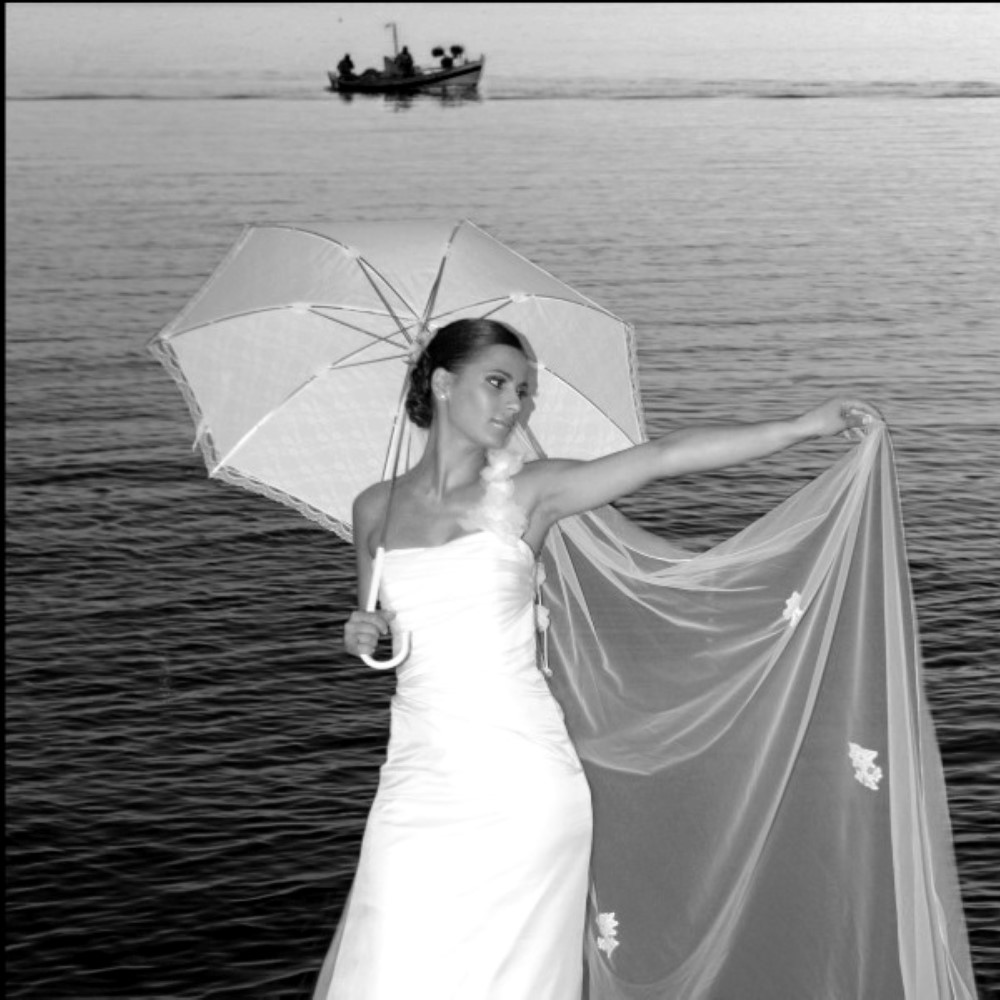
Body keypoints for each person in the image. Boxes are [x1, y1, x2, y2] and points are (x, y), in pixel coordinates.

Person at [313, 318, 974, 999]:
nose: (516, 405)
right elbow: (384, 624)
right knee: (388, 958)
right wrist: (362, 632)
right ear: (443, 384)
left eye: (525, 390)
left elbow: (662, 456)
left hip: (521, 781)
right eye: (499, 383)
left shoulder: (533, 492)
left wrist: (804, 425)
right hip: (416, 778)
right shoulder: (373, 509)